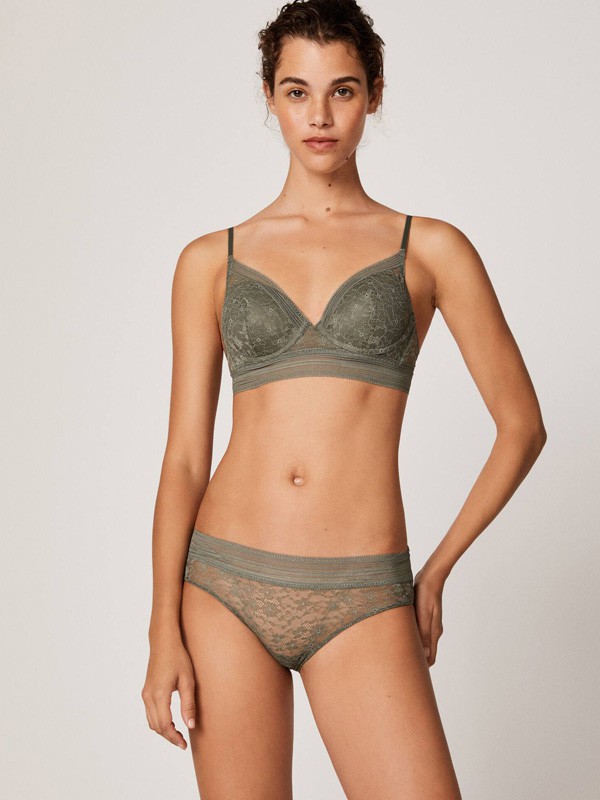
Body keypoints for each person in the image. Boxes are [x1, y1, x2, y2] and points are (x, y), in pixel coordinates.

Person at [141, 1, 547, 797]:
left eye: (343, 91)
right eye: (297, 92)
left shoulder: (430, 249)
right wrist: (162, 629)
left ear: (375, 94)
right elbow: (185, 457)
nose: (320, 116)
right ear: (270, 96)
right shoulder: (210, 262)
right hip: (223, 586)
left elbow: (521, 427)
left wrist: (435, 572)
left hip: (363, 593)